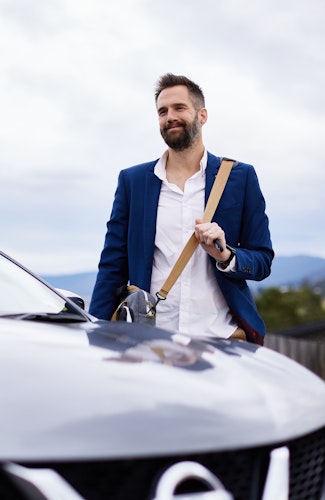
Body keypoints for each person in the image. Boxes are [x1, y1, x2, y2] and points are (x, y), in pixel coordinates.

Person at [88, 73, 274, 345]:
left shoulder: (240, 178)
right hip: (152, 341)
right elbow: (112, 266)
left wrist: (226, 256)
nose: (169, 116)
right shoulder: (133, 182)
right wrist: (95, 334)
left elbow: (262, 260)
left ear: (202, 115)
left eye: (179, 108)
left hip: (221, 339)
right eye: (162, 111)